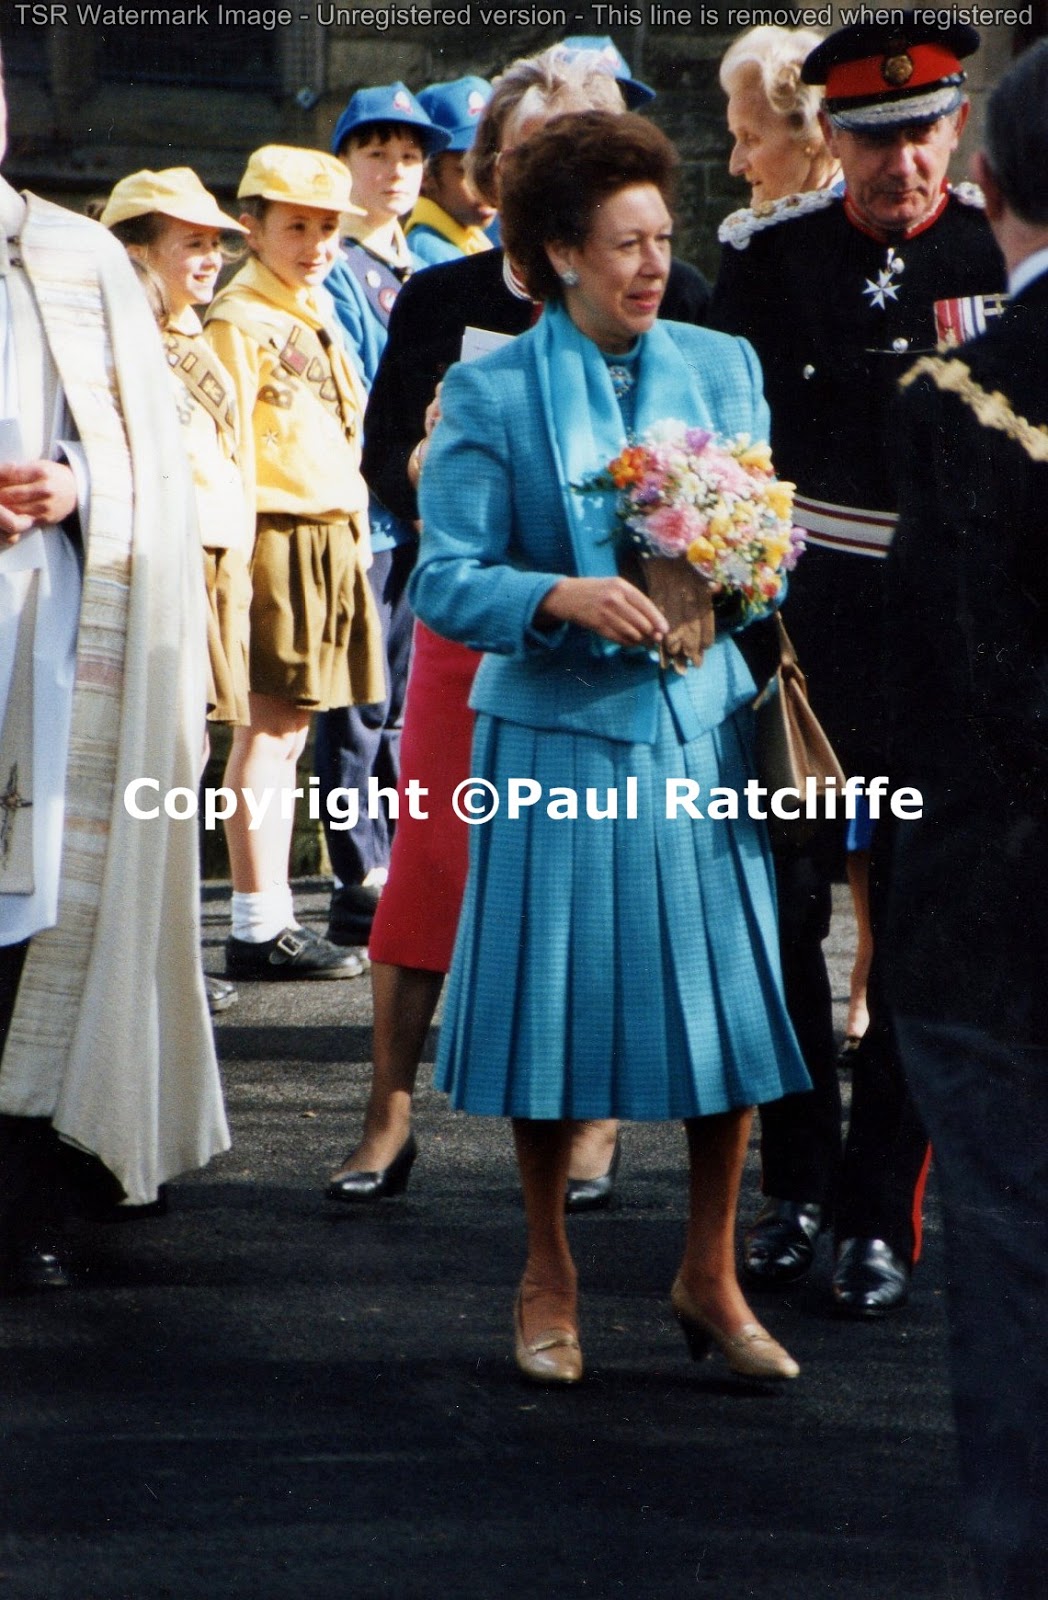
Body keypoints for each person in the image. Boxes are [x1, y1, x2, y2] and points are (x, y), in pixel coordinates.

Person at [409, 110, 810, 1385]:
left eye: (662, 238)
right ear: (557, 254)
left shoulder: (721, 363)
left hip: (697, 733)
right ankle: (547, 1273)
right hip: (551, 734)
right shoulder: (486, 388)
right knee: (551, 1016)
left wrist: (729, 580)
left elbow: (765, 554)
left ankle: (710, 1271)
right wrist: (554, 597)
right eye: (624, 243)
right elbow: (444, 579)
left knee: (727, 1014)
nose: (652, 264)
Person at [327, 43, 709, 1209]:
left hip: (622, 634)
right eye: (538, 149)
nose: (564, 166)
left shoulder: (673, 298)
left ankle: (589, 1118)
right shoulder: (443, 297)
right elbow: (381, 460)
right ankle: (388, 1109)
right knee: (434, 854)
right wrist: (439, 459)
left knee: (594, 861)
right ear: (495, 171)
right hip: (476, 625)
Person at [709, 14, 1007, 1314]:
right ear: (828, 137)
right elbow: (726, 445)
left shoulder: (1001, 247)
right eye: (875, 139)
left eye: (924, 133)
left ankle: (882, 1210)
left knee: (923, 936)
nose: (904, 165)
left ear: (958, 127)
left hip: (954, 634)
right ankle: (795, 1189)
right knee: (778, 917)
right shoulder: (773, 262)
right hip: (810, 628)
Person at [0, 56, 228, 1289]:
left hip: (42, 635)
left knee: (41, 912)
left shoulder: (80, 261)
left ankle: (25, 1196)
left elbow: (148, 457)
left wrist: (79, 486)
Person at [885, 40, 1048, 1596]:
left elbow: (974, 667)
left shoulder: (969, 392)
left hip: (998, 913)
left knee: (1014, 1269)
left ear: (988, 178)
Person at [204, 145, 385, 981]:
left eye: (327, 228)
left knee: (293, 732)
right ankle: (256, 921)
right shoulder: (241, 321)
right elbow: (231, 446)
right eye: (295, 226)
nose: (315, 243)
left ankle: (265, 915)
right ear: (251, 228)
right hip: (276, 532)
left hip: (328, 531)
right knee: (271, 733)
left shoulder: (305, 308)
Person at [100, 166, 253, 1016]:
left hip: (215, 558)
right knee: (159, 759)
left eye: (212, 244)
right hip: (162, 561)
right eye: (187, 244)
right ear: (137, 253)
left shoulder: (193, 336)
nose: (207, 259)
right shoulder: (124, 342)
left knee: (188, 754)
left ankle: (174, 958)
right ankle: (156, 961)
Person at [315, 84, 448, 954]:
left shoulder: (426, 267)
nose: (395, 171)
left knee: (401, 699)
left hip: (417, 510)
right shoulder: (336, 267)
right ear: (345, 163)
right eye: (376, 154)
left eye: (409, 156)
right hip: (365, 506)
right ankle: (353, 869)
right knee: (356, 703)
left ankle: (398, 859)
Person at [719, 24, 840, 205]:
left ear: (815, 131)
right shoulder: (785, 219)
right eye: (737, 138)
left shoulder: (860, 220)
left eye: (751, 138)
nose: (735, 166)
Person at [406, 76, 495, 266]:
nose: (487, 183)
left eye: (493, 165)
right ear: (426, 174)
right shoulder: (428, 252)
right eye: (467, 170)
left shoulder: (472, 240)